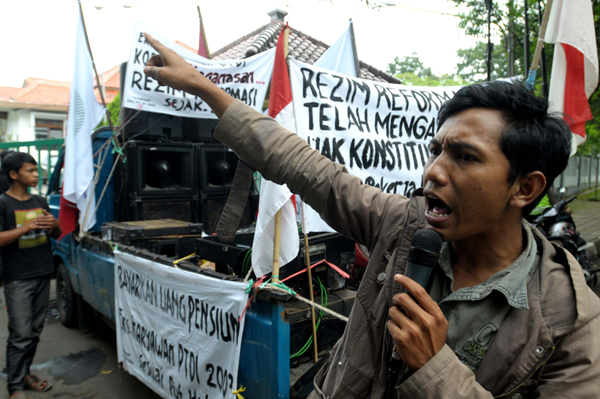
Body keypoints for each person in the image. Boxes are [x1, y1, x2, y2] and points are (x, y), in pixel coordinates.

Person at [142, 33, 600, 398]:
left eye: (463, 156)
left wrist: (434, 368)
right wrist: (203, 87)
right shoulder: (404, 225)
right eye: (435, 150)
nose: (433, 172)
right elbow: (302, 164)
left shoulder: (573, 325)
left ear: (525, 187)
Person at [0, 152, 60, 398]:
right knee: (20, 334)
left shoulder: (40, 200)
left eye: (37, 170)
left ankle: (25, 374)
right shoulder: (3, 203)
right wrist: (26, 227)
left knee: (34, 331)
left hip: (43, 272)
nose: (36, 175)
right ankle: (14, 388)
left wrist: (54, 224)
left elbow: (56, 234)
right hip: (17, 278)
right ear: (14, 175)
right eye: (30, 171)